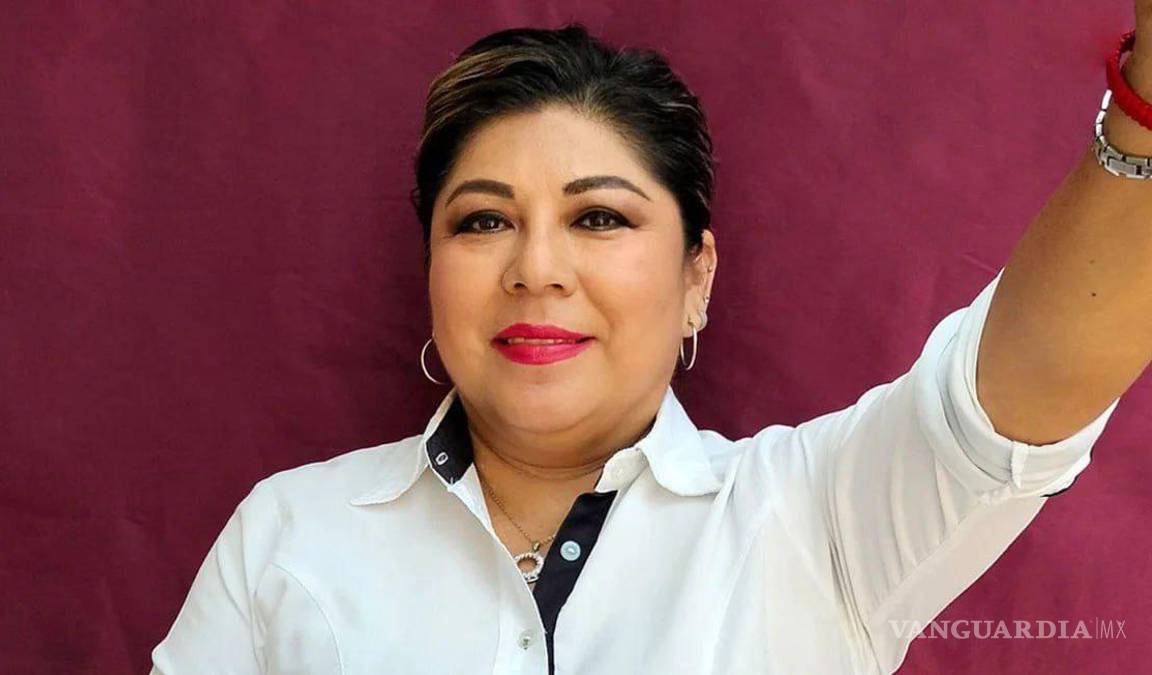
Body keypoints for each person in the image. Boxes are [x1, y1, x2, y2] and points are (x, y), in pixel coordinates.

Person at [150, 15, 1152, 674]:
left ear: (695, 280)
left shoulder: (813, 518)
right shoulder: (291, 538)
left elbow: (1018, 387)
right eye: (483, 221)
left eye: (599, 218)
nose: (536, 268)